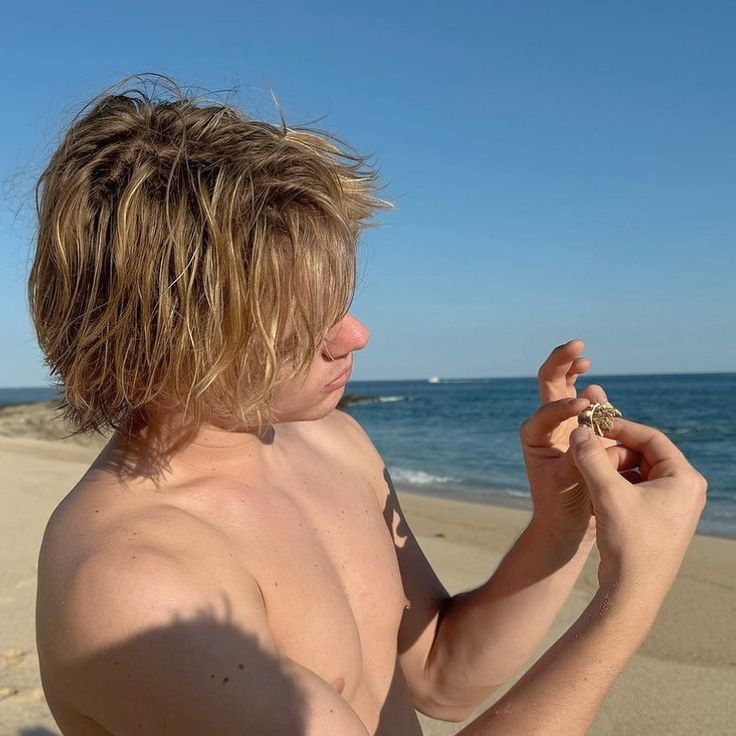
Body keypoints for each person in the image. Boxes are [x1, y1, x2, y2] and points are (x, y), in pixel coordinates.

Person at [31, 78, 706, 736]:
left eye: (339, 301)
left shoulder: (335, 443)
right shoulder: (137, 584)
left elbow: (440, 673)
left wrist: (564, 524)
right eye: (300, 327)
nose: (355, 337)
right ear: (166, 341)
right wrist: (632, 596)